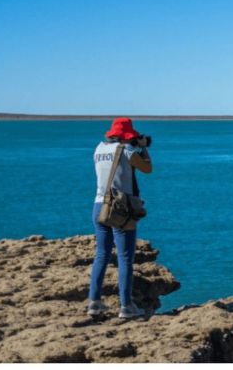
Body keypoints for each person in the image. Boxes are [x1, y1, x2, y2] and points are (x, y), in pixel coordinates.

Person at [86, 117, 153, 318]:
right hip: (120, 208)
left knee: (101, 254)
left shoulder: (98, 149)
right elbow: (147, 168)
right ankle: (126, 306)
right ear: (126, 135)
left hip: (99, 205)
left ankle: (94, 303)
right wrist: (143, 147)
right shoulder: (127, 150)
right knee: (125, 257)